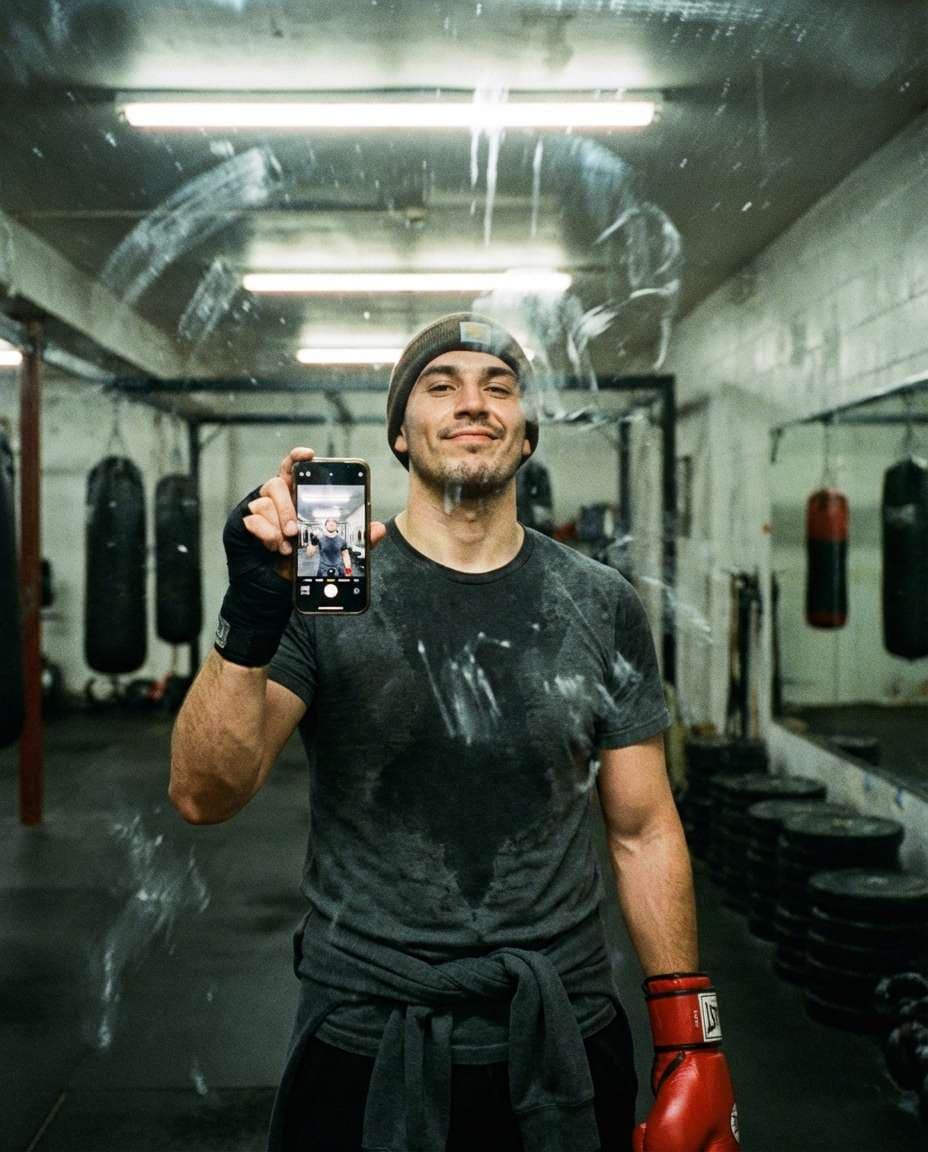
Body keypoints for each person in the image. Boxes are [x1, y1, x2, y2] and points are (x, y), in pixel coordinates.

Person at [169, 312, 740, 1152]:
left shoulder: (599, 600)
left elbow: (644, 827)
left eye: (498, 386)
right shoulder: (329, 589)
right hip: (364, 1030)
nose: (472, 402)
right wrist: (252, 612)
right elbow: (204, 794)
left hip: (562, 1029)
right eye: (441, 387)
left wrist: (691, 1032)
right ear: (401, 434)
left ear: (528, 430)